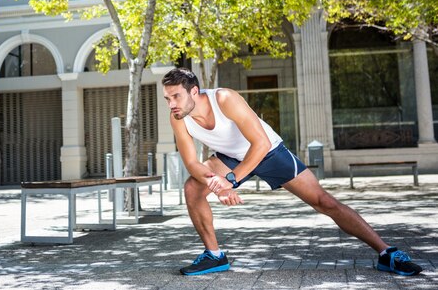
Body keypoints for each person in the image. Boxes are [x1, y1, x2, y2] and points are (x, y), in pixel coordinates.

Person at [161, 67, 422, 277]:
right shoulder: (178, 117)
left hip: (268, 151)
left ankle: (388, 253)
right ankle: (214, 256)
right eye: (167, 98)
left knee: (325, 202)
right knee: (193, 188)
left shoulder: (224, 99)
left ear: (194, 91)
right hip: (230, 157)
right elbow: (192, 163)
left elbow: (260, 143)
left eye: (176, 96)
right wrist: (217, 185)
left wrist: (230, 180)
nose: (171, 104)